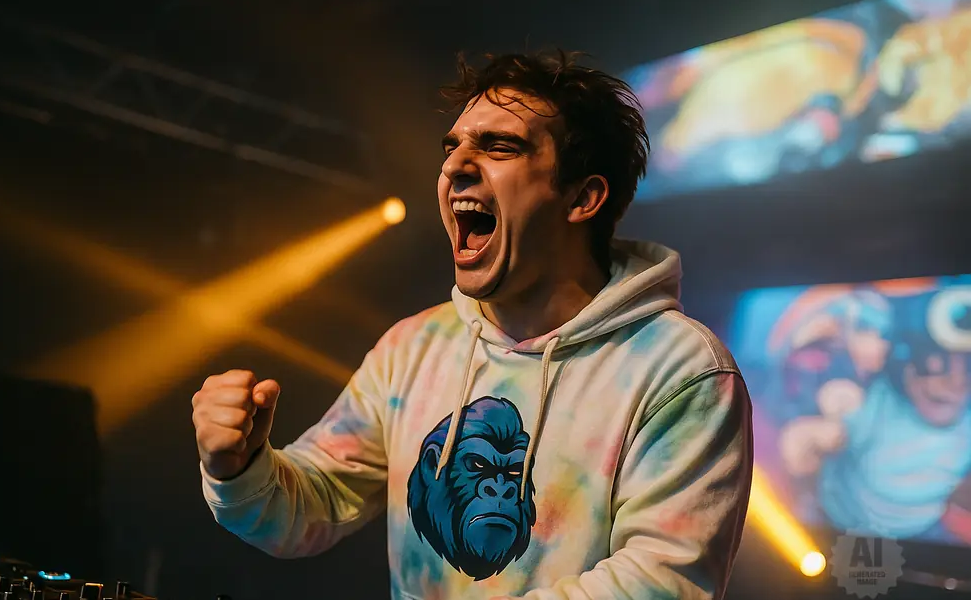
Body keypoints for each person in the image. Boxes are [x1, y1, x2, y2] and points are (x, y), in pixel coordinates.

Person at [192, 51, 754, 600]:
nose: (455, 166)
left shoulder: (680, 370)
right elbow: (312, 505)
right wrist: (240, 469)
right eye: (453, 147)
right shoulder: (414, 346)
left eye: (500, 147)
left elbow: (659, 583)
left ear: (583, 197)